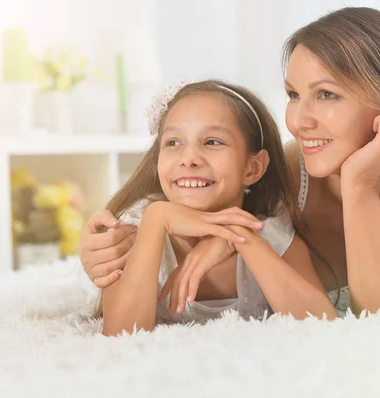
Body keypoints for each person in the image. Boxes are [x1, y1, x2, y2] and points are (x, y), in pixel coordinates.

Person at [80, 7, 380, 318]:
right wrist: (104, 246)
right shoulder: (294, 166)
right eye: (293, 95)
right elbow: (201, 201)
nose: (297, 121)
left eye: (326, 95)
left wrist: (359, 184)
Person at [90, 79, 337, 336]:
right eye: (173, 142)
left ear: (252, 168)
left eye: (212, 142)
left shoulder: (273, 237)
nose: (189, 159)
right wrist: (156, 217)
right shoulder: (134, 233)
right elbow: (120, 336)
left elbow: (322, 325)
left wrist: (240, 237)